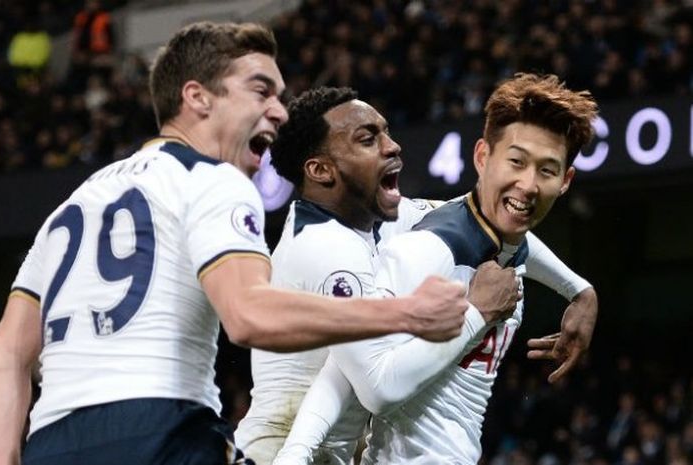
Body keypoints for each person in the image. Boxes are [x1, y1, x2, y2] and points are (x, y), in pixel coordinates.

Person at [0, 22, 469, 465]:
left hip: (51, 444)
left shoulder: (71, 208)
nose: (279, 111)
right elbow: (249, 314)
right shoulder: (210, 179)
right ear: (197, 98)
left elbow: (9, 350)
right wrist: (407, 313)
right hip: (163, 431)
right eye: (260, 90)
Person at [235, 86, 597, 464]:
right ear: (321, 170)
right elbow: (372, 384)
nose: (392, 146)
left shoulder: (381, 220)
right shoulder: (328, 252)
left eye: (387, 131)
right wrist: (477, 312)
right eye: (368, 139)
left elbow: (493, 222)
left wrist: (580, 292)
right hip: (279, 448)